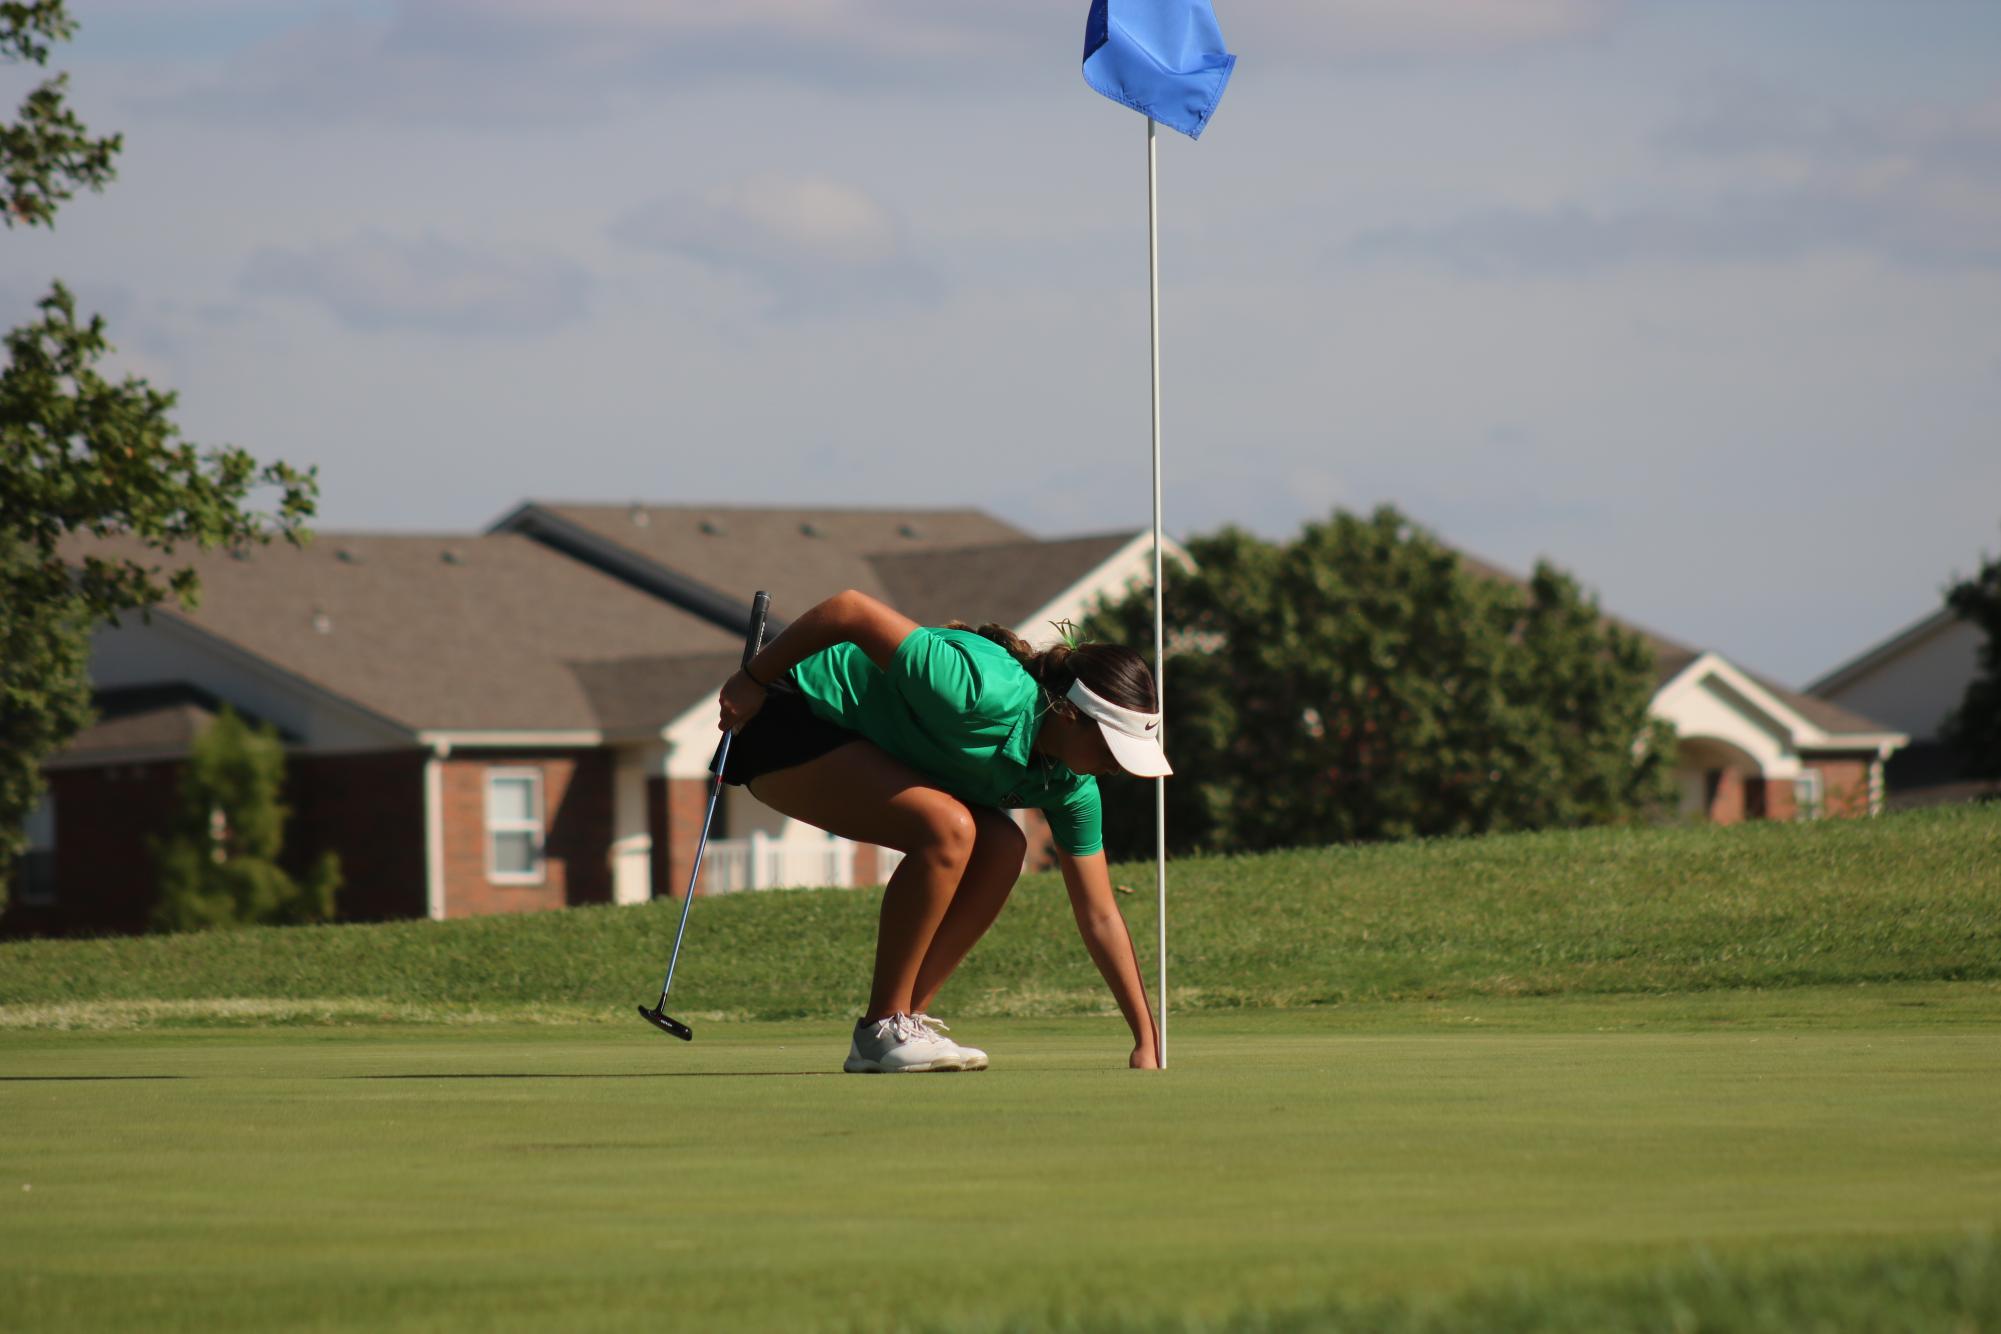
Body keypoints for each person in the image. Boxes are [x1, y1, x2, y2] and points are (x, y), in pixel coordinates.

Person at [714, 588, 1171, 1074]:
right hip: (787, 716)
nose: (1115, 769)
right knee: (949, 828)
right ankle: (882, 1028)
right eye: (1110, 751)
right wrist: (751, 678)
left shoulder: (1072, 787)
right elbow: (849, 609)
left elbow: (1099, 914)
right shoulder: (979, 690)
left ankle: (903, 1021)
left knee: (1003, 845)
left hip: (863, 742)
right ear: (1069, 714)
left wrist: (1146, 1039)